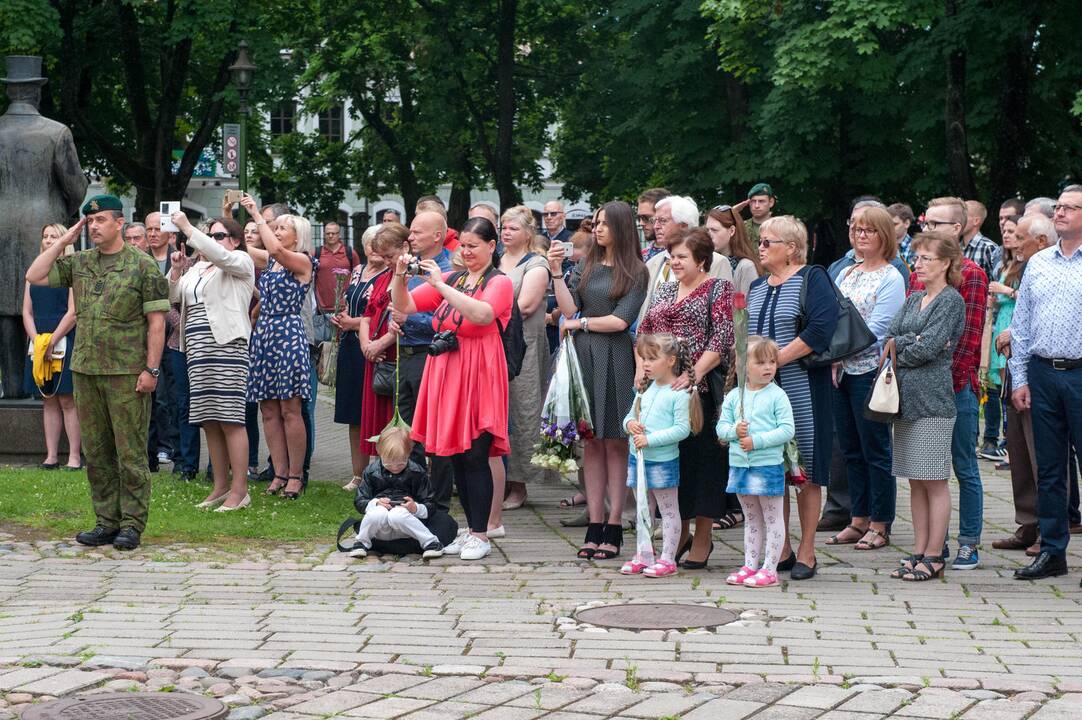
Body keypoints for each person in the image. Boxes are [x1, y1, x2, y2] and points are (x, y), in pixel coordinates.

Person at [25, 195, 169, 551]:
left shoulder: (142, 265)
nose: (94, 226)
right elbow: (35, 274)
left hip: (126, 372)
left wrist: (151, 369)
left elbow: (156, 322)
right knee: (97, 452)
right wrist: (64, 240)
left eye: (101, 220)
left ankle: (132, 524)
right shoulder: (81, 262)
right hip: (87, 370)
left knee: (131, 453)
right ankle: (106, 521)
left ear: (120, 223)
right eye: (90, 222)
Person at [391, 216, 512, 561]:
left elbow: (483, 315)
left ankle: (481, 533)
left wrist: (442, 287)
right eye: (464, 246)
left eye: (475, 246)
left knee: (476, 453)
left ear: (492, 247)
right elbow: (405, 305)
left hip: (479, 371)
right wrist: (401, 275)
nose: (468, 252)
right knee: (456, 453)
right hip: (448, 369)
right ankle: (471, 529)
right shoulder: (455, 277)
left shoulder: (498, 281)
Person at [549, 202, 648, 560]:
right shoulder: (586, 265)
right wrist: (558, 273)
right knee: (591, 442)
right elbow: (569, 310)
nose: (598, 229)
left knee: (615, 442)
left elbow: (621, 322)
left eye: (605, 224)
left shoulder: (636, 270)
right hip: (585, 356)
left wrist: (581, 325)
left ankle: (615, 523)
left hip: (615, 355)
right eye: (596, 224)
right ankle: (594, 523)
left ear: (621, 228)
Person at [746, 216, 839, 580]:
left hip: (803, 386)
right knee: (774, 469)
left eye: (769, 242)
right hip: (761, 392)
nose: (762, 247)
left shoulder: (812, 277)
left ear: (792, 247)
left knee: (807, 468)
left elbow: (821, 328)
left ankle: (807, 550)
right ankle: (779, 547)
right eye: (761, 241)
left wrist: (775, 360)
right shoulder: (755, 285)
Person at [637, 227, 735, 568]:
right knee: (671, 464)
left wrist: (691, 376)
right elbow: (645, 332)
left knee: (703, 465)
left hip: (698, 390)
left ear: (702, 259)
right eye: (672, 256)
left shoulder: (718, 288)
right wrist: (642, 368)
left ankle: (703, 538)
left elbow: (721, 338)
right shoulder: (664, 289)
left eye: (682, 257)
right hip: (660, 391)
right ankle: (678, 531)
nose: (675, 262)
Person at [910, 197, 988, 570]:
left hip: (955, 387)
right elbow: (901, 333)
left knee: (963, 466)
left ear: (957, 229)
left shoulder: (971, 275)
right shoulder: (918, 273)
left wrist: (939, 379)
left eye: (935, 224)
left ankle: (969, 541)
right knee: (922, 471)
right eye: (926, 223)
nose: (928, 229)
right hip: (918, 388)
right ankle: (930, 545)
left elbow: (966, 343)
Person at [1010, 185, 1082, 581]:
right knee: (1050, 469)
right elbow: (1021, 325)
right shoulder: (1039, 264)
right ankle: (1053, 551)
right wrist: (1020, 377)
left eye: (1071, 208)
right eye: (1059, 207)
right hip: (1042, 372)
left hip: (1081, 372)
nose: (1061, 213)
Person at [886, 231, 965, 581]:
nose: (917, 265)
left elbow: (928, 348)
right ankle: (918, 550)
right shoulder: (913, 297)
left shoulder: (950, 301)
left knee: (934, 479)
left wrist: (904, 345)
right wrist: (906, 342)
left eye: (925, 259)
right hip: (904, 400)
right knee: (915, 481)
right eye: (916, 258)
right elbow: (890, 337)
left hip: (932, 400)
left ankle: (935, 554)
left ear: (945, 263)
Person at [825, 206, 905, 551]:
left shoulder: (891, 277)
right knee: (849, 449)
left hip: (868, 371)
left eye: (868, 230)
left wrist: (835, 350)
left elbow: (877, 329)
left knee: (876, 449)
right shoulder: (847, 273)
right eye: (855, 229)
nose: (860, 235)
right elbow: (833, 315)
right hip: (839, 371)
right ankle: (857, 518)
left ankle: (880, 521)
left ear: (883, 235)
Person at [168, 213, 256, 511]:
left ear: (234, 241)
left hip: (227, 347)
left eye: (219, 236)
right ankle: (219, 487)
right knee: (208, 419)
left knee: (230, 418)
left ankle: (240, 490)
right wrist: (177, 271)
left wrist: (188, 229)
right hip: (197, 350)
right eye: (211, 235)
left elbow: (221, 256)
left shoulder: (240, 261)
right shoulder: (198, 269)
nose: (213, 241)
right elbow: (172, 297)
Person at [240, 194, 315, 501]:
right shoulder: (271, 259)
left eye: (283, 226)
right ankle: (279, 472)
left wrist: (257, 214)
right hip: (266, 333)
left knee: (290, 408)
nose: (277, 229)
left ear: (298, 235)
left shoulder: (302, 260)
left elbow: (274, 247)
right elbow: (241, 251)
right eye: (276, 226)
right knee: (268, 409)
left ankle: (296, 475)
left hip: (287, 332)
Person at [991, 213, 1055, 555]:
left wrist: (1013, 333)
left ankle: (1051, 526)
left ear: (1041, 241)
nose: (1013, 244)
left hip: (1040, 370)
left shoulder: (1052, 268)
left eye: (1020, 238)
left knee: (1041, 453)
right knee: (1017, 447)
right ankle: (1027, 521)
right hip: (1014, 367)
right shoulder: (1022, 267)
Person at [718, 336, 796, 588]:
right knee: (751, 518)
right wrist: (734, 432)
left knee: (773, 517)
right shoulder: (733, 397)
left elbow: (787, 430)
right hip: (740, 466)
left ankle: (770, 568)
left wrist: (757, 441)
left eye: (772, 361)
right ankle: (750, 564)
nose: (768, 367)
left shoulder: (777, 395)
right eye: (760, 362)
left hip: (767, 466)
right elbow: (721, 429)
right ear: (742, 365)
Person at [621, 334, 700, 578]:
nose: (645, 363)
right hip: (639, 458)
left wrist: (650, 439)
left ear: (670, 360)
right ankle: (644, 553)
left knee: (668, 510)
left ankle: (668, 558)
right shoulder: (645, 388)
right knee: (643, 508)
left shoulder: (678, 394)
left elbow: (681, 430)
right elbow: (629, 416)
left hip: (662, 462)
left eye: (652, 358)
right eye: (644, 358)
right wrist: (630, 425)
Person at [398, 211, 455, 497]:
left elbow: (443, 318)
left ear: (437, 235)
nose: (410, 237)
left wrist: (407, 317)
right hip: (405, 353)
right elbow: (398, 305)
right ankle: (414, 490)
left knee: (434, 430)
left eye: (417, 232)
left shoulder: (447, 270)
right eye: (411, 231)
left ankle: (439, 496)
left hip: (431, 354)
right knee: (409, 429)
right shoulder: (411, 268)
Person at [498, 206, 551, 511]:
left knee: (522, 410)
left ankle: (518, 483)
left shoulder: (536, 264)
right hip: (492, 344)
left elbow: (526, 305)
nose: (506, 232)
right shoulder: (496, 260)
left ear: (528, 233)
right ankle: (498, 479)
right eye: (503, 227)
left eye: (513, 228)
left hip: (523, 346)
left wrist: (483, 312)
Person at [335, 225, 390, 491]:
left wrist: (353, 323)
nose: (373, 249)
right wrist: (342, 317)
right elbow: (350, 302)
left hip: (373, 348)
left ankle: (380, 471)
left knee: (375, 412)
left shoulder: (389, 276)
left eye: (378, 244)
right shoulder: (357, 272)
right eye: (369, 243)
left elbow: (380, 316)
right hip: (350, 347)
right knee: (353, 413)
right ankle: (358, 474)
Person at [22, 223, 80, 470]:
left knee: (67, 399)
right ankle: (51, 455)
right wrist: (36, 339)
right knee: (48, 399)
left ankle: (75, 457)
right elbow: (26, 311)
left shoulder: (72, 271)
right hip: (39, 341)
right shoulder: (34, 271)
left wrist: (53, 339)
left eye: (54, 236)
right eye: (45, 236)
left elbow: (74, 311)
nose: (47, 240)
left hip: (64, 338)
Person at [357, 224, 410, 476]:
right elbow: (367, 315)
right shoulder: (382, 278)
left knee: (395, 417)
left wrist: (381, 343)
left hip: (394, 355)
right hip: (375, 358)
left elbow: (403, 316)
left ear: (405, 248)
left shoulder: (409, 275)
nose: (387, 261)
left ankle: (398, 468)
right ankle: (379, 471)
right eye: (383, 256)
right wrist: (366, 345)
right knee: (377, 418)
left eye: (390, 256)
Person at [347, 426, 446, 560]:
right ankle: (361, 543)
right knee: (378, 513)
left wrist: (416, 508)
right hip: (380, 529)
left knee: (397, 514)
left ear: (409, 453)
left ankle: (431, 542)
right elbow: (359, 501)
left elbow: (431, 503)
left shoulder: (416, 472)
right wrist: (375, 503)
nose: (394, 468)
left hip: (405, 527)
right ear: (379, 453)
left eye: (401, 464)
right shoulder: (371, 471)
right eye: (388, 463)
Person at [637, 196, 733, 328]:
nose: (656, 226)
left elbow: (724, 322)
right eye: (655, 220)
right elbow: (645, 315)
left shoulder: (717, 262)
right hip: (653, 345)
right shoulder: (652, 263)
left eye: (663, 221)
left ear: (684, 225)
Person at [979, 214, 1021, 462]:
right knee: (1002, 387)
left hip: (1013, 321)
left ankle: (1011, 445)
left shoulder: (1026, 265)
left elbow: (1024, 296)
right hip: (1000, 320)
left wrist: (1004, 290)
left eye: (1012, 231)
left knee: (1013, 384)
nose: (1006, 235)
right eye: (1004, 231)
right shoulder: (1003, 263)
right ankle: (1008, 442)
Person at [704, 204, 761, 294]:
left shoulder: (745, 267)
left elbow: (749, 307)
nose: (709, 236)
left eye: (714, 230)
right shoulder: (707, 263)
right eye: (708, 230)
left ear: (732, 231)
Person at [962, 200, 1001, 281]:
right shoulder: (956, 247)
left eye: (963, 216)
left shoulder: (989, 247)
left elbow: (998, 282)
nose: (958, 220)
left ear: (976, 221)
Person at [638, 187, 671, 260]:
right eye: (639, 218)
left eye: (646, 218)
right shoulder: (641, 255)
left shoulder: (680, 255)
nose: (641, 223)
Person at [887, 203, 916, 269]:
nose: (889, 228)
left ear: (907, 223)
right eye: (887, 224)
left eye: (894, 224)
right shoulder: (882, 246)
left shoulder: (916, 248)